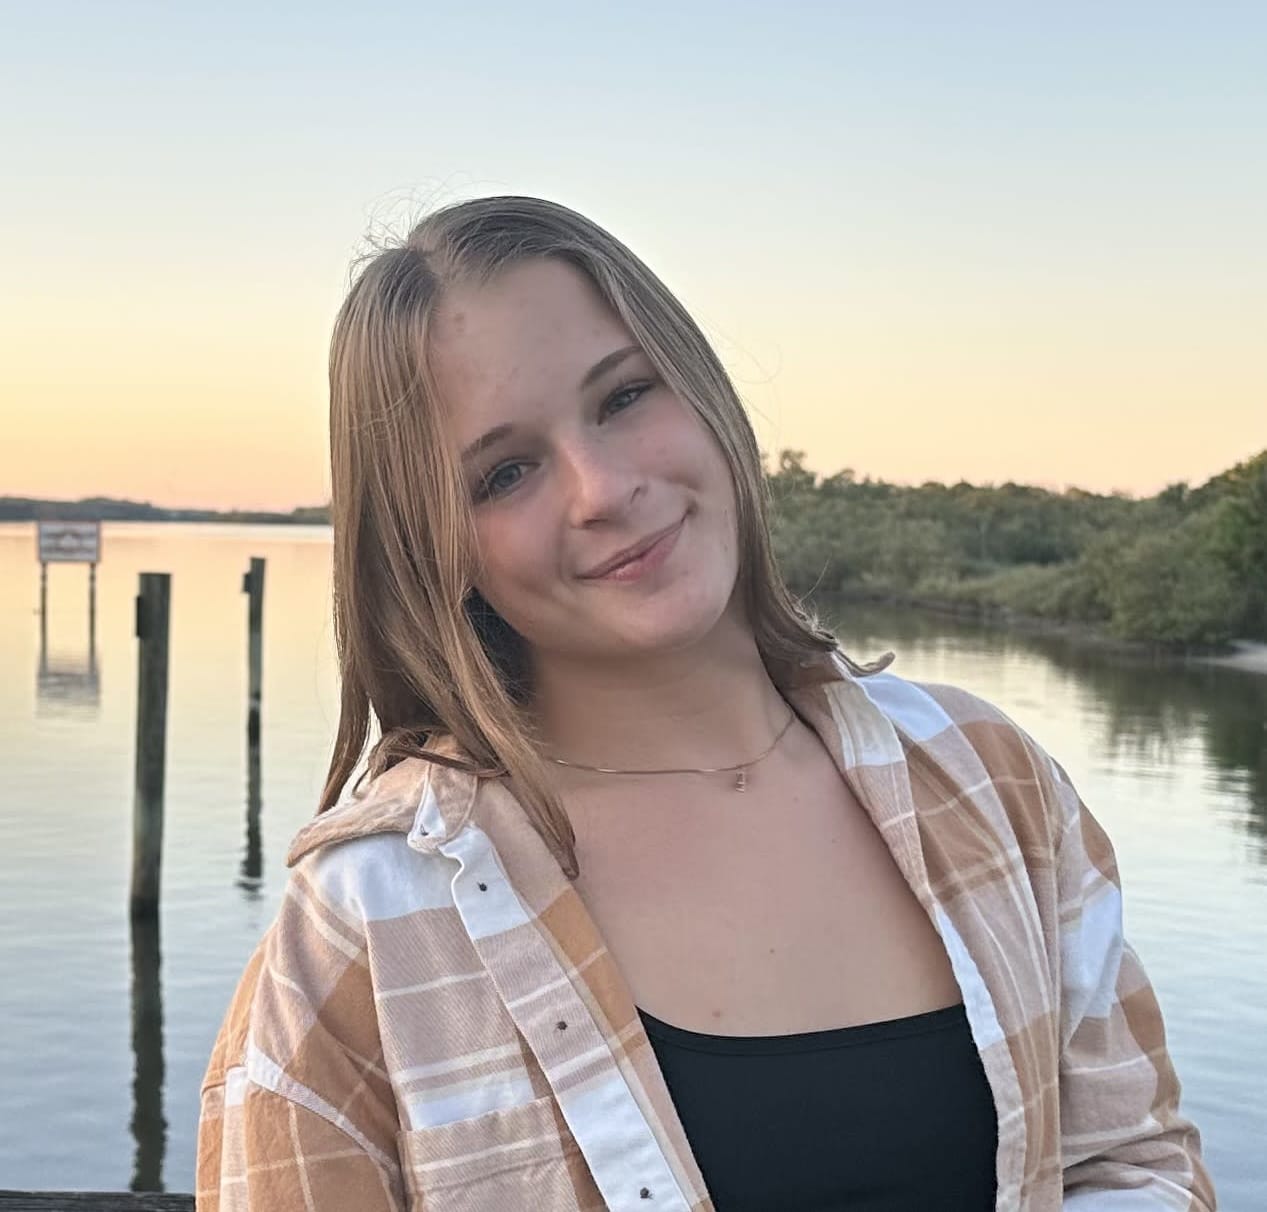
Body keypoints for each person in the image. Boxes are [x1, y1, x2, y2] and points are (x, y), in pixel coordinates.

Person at [195, 195, 1215, 1211]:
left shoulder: (988, 778)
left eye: (624, 396)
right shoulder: (367, 923)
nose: (601, 488)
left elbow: (1135, 1165)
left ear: (703, 390)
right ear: (433, 546)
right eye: (504, 474)